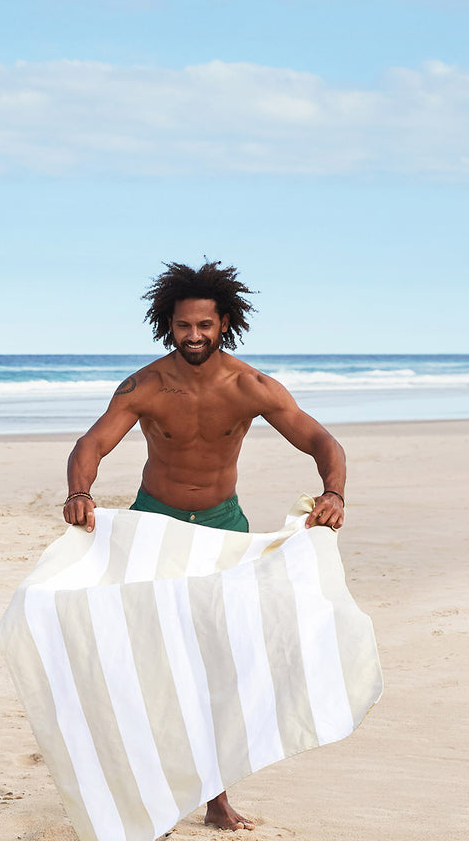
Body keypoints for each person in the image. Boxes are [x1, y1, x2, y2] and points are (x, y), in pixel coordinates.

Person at [62, 260, 347, 833]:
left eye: (204, 326)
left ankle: (216, 799)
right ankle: (154, 794)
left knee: (217, 664)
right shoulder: (143, 386)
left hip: (221, 527)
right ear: (168, 326)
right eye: (183, 326)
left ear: (225, 325)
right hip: (154, 528)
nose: (194, 337)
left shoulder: (250, 387)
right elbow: (91, 443)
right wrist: (79, 491)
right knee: (148, 664)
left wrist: (334, 492)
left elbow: (320, 440)